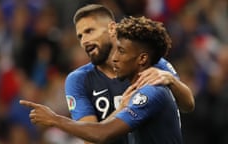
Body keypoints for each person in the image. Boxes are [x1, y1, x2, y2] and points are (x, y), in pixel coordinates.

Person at [20, 16, 182, 144]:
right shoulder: (142, 89)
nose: (115, 58)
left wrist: (55, 120)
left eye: (122, 52)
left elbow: (101, 134)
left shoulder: (150, 92)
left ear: (142, 59)